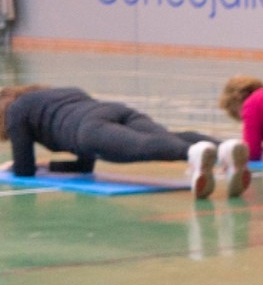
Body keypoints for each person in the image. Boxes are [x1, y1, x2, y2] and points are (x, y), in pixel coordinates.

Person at [0, 84, 249, 199]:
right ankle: (222, 148)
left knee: (142, 148)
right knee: (164, 138)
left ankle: (192, 153)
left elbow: (24, 170)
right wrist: (51, 166)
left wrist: (11, 167)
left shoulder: (16, 112)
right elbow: (85, 166)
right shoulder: (60, 94)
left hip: (87, 130)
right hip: (116, 111)